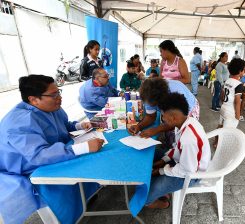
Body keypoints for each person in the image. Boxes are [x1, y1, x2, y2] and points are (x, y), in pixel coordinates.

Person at [0, 75, 103, 224]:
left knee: (84, 160)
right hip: (24, 167)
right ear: (33, 99)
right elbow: (39, 155)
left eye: (59, 92)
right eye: (53, 94)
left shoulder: (50, 106)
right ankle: (69, 216)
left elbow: (64, 124)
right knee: (67, 174)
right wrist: (84, 146)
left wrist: (80, 126)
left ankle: (85, 199)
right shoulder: (19, 123)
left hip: (50, 152)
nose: (59, 97)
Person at [145, 93, 211, 209]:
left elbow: (187, 170)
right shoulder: (184, 123)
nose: (162, 119)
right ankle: (160, 185)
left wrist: (161, 171)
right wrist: (163, 160)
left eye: (163, 116)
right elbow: (177, 148)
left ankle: (163, 203)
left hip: (191, 175)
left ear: (173, 117)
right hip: (183, 162)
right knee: (153, 153)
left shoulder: (188, 138)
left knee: (146, 195)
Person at [128, 78, 199, 138]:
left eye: (153, 105)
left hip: (188, 110)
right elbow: (150, 116)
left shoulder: (176, 93)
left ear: (160, 100)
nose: (150, 106)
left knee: (183, 134)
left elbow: (178, 120)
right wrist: (139, 126)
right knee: (170, 136)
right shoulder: (147, 94)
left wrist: (156, 130)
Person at [218, 58, 245, 129]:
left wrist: (223, 104)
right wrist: (238, 115)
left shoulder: (227, 80)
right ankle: (221, 140)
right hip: (230, 111)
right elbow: (237, 102)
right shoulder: (239, 84)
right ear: (240, 71)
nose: (244, 72)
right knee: (227, 131)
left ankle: (216, 140)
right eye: (244, 70)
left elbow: (222, 95)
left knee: (220, 126)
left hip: (223, 108)